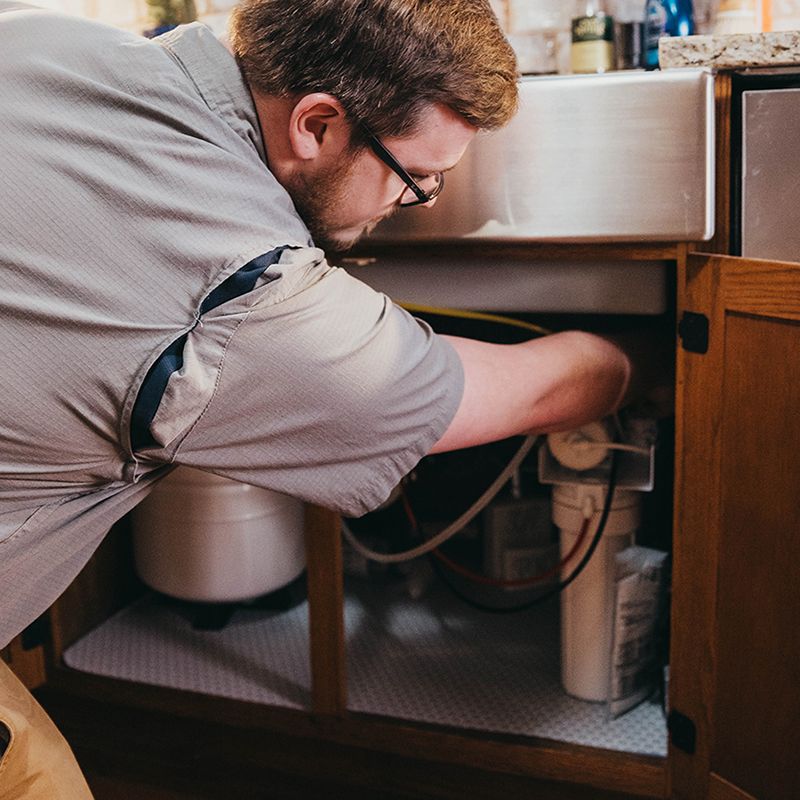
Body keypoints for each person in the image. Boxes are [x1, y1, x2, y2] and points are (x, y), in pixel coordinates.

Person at [0, 1, 657, 796]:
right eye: (416, 178)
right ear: (315, 124)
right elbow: (485, 396)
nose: (427, 197)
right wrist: (636, 361)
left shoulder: (39, 39)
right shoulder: (237, 288)